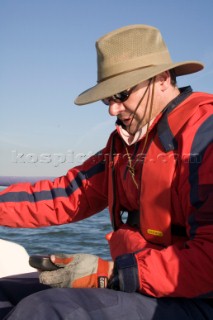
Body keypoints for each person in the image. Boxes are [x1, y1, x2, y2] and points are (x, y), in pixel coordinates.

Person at [0, 24, 212, 319]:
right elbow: (65, 194)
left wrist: (110, 274)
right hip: (138, 282)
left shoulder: (206, 137)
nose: (112, 110)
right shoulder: (124, 146)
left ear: (162, 79)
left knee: (45, 310)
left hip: (198, 297)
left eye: (122, 94)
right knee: (5, 294)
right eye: (107, 98)